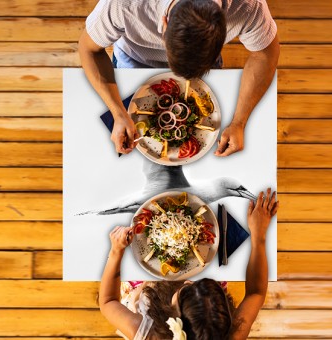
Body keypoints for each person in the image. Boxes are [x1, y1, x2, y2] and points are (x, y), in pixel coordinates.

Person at [79, 0, 280, 156]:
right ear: (164, 22)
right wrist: (118, 113)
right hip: (133, 60)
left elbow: (265, 54)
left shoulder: (248, 6)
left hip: (206, 69)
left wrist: (239, 123)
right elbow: (88, 49)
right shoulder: (122, 5)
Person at [99, 189, 278, 339]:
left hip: (147, 294)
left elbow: (108, 302)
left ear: (174, 319)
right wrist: (259, 235)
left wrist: (116, 251)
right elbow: (256, 293)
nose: (189, 281)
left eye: (186, 289)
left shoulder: (149, 334)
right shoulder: (230, 335)